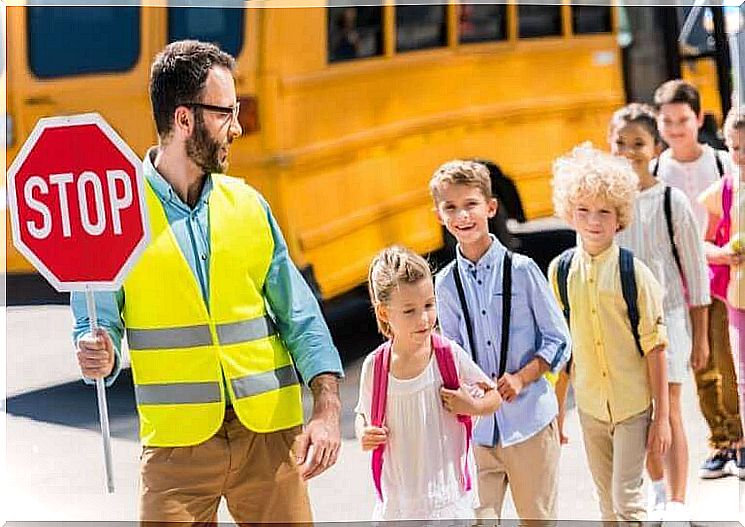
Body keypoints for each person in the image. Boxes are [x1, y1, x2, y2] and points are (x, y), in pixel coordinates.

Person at [72, 40, 344, 524]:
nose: (237, 128)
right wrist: (100, 352)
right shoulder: (114, 215)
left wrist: (326, 409)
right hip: (176, 452)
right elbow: (99, 328)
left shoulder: (248, 204)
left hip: (268, 438)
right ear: (183, 120)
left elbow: (300, 316)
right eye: (225, 114)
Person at [430, 160, 571, 521]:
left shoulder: (522, 271)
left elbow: (558, 340)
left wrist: (522, 377)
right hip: (478, 433)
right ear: (439, 215)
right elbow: (452, 354)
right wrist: (469, 396)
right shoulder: (445, 284)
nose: (462, 215)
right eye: (451, 207)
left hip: (530, 424)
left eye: (470, 205)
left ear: (490, 208)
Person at [548, 144, 671, 522]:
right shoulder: (560, 271)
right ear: (570, 213)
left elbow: (656, 348)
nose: (593, 221)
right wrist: (558, 411)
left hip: (633, 408)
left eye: (604, 212)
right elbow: (562, 350)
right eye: (583, 210)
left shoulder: (635, 274)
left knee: (626, 500)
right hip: (590, 410)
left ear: (619, 216)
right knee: (605, 503)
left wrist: (661, 417)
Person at [610, 103, 712, 519]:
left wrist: (701, 336)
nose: (629, 151)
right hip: (622, 323)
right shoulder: (608, 205)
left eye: (638, 143)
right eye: (621, 142)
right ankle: (654, 491)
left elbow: (696, 274)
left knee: (667, 411)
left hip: (668, 320)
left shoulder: (671, 201)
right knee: (640, 415)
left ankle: (677, 501)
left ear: (655, 148)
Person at [355, 245, 502, 520]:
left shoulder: (448, 356)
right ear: (385, 313)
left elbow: (493, 397)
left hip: (446, 501)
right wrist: (365, 433)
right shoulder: (375, 367)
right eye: (409, 311)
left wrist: (472, 405)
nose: (424, 319)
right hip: (399, 504)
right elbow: (363, 415)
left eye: (429, 305)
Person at [654, 79, 742, 493]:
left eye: (683, 120)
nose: (675, 129)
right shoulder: (657, 170)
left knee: (725, 360)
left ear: (698, 119)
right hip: (676, 280)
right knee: (699, 364)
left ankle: (738, 437)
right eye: (667, 121)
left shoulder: (723, 163)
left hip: (719, 276)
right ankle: (721, 441)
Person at [698, 106, 745, 480]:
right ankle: (741, 443)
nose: (741, 156)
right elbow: (704, 244)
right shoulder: (724, 190)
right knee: (739, 373)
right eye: (735, 148)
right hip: (737, 297)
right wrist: (726, 254)